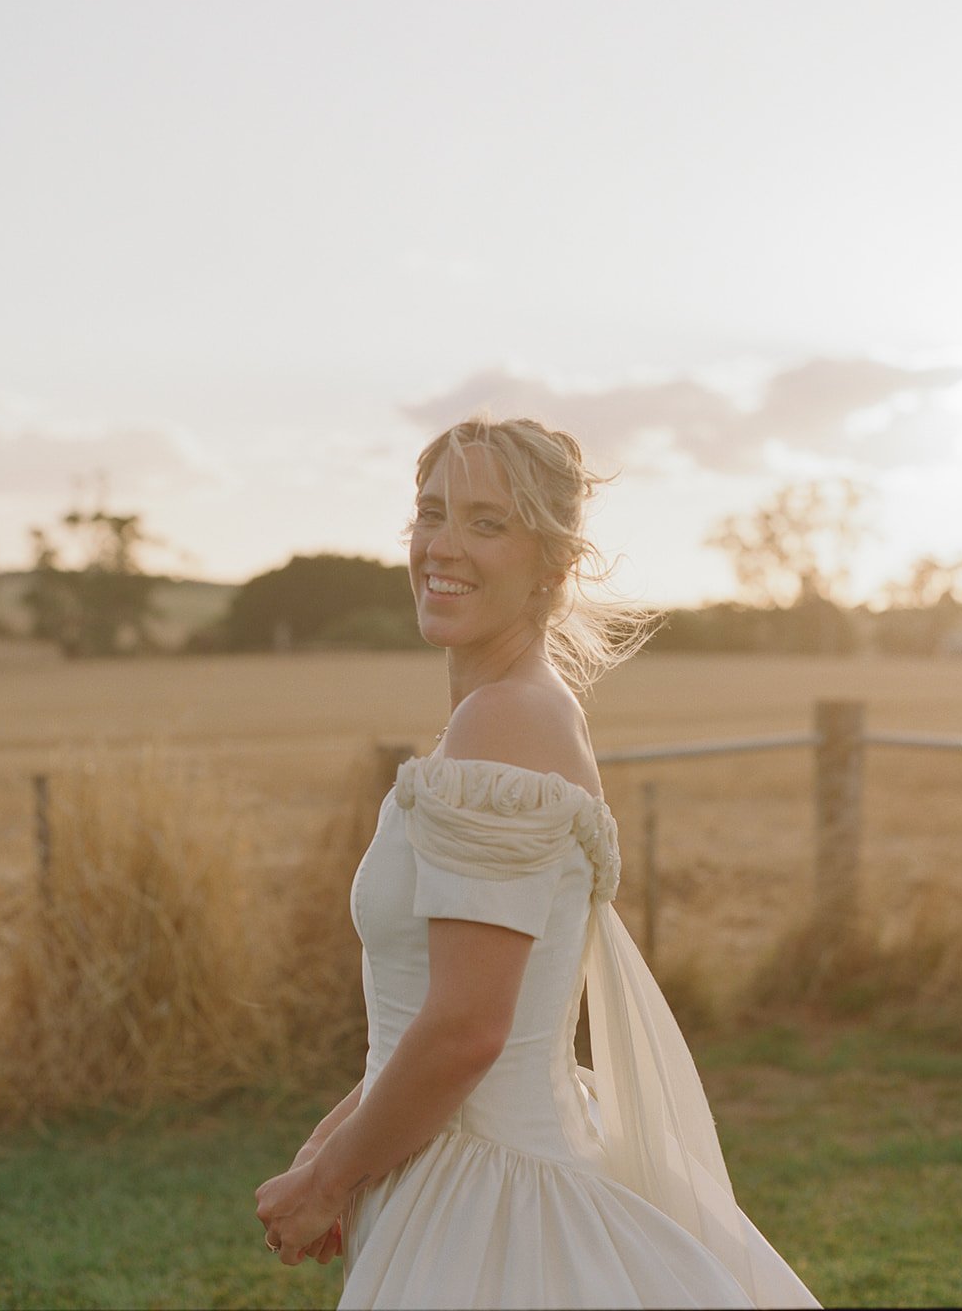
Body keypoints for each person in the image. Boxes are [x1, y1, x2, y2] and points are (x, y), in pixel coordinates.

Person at [256, 416, 820, 1310]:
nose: (442, 545)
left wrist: (330, 1183)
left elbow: (471, 1028)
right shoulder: (511, 714)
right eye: (431, 512)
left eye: (488, 523)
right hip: (440, 1166)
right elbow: (439, 1013)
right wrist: (335, 1147)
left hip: (488, 1201)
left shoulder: (505, 722)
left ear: (554, 566)